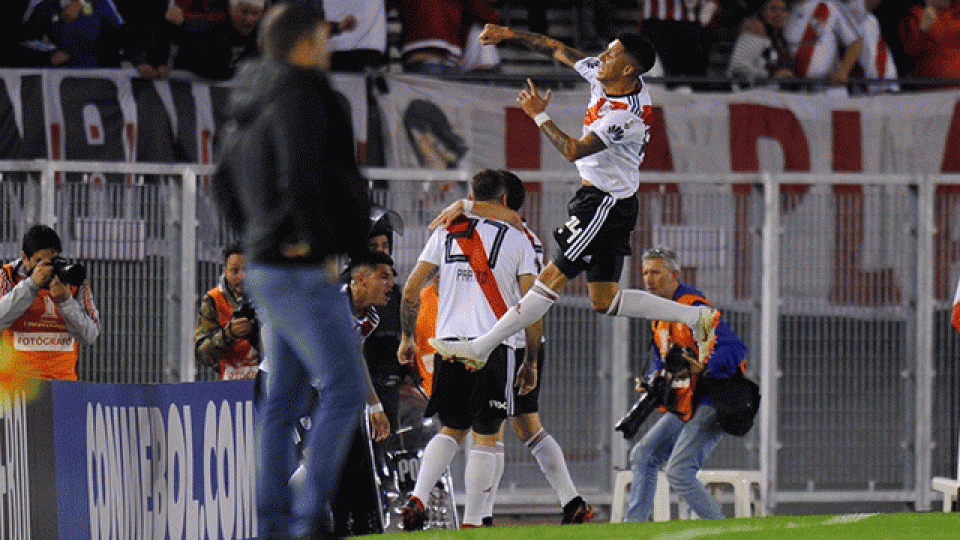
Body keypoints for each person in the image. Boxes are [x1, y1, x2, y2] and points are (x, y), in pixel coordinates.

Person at [426, 24, 720, 376]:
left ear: (629, 69)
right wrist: (507, 34)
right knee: (605, 300)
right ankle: (696, 316)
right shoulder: (604, 73)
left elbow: (572, 150)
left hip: (603, 204)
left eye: (611, 54)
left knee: (549, 279)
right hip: (610, 201)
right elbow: (554, 47)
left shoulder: (627, 117)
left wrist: (538, 113)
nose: (603, 57)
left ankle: (481, 347)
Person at [212, 1, 371, 538]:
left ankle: (272, 525)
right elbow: (306, 171)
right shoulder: (303, 94)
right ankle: (303, 521)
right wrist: (319, 242)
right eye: (323, 40)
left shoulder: (246, 97)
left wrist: (251, 237)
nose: (327, 51)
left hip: (263, 263)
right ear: (305, 44)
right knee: (346, 389)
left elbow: (222, 181)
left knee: (281, 402)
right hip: (299, 266)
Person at [396, 169, 540, 530]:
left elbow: (411, 290)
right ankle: (475, 522)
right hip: (493, 345)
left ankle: (418, 497)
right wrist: (531, 359)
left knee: (451, 429)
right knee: (486, 436)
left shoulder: (445, 230)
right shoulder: (518, 238)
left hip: (448, 345)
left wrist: (407, 337)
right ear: (505, 200)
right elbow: (532, 303)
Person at [482, 171, 595, 525]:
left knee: (489, 427)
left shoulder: (510, 235)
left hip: (507, 340)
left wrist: (529, 355)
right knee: (525, 425)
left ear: (501, 202)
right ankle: (572, 501)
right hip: (517, 339)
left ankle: (479, 517)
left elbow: (532, 296)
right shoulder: (517, 235)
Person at [624, 246, 747, 522]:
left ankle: (721, 530)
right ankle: (632, 531)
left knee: (679, 471)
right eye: (645, 272)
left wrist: (704, 366)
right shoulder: (658, 314)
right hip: (688, 401)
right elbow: (662, 359)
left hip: (715, 398)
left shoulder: (694, 309)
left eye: (656, 272)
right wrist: (653, 380)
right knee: (643, 455)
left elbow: (735, 348)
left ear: (674, 274)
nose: (648, 279)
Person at [328, 250, 395, 536]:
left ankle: (348, 527)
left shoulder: (371, 319)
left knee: (354, 458)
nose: (390, 284)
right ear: (360, 278)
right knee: (310, 466)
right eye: (384, 276)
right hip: (295, 390)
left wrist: (375, 406)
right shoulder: (331, 304)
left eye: (392, 277)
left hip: (328, 392)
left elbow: (356, 356)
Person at [0, 225, 100, 381]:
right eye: (39, 261)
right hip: (18, 385)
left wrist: (65, 301)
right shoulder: (8, 276)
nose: (46, 268)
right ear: (24, 258)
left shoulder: (73, 279)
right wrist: (31, 285)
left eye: (52, 261)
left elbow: (90, 335)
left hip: (63, 385)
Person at [195, 243, 261, 380]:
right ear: (224, 271)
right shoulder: (213, 300)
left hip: (269, 383)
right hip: (230, 387)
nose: (242, 277)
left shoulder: (272, 298)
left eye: (247, 270)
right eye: (234, 271)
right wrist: (228, 334)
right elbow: (202, 354)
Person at [172, 0, 264, 80]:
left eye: (255, 13)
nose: (249, 19)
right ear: (231, 9)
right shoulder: (209, 26)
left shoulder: (261, 34)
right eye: (244, 12)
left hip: (228, 81)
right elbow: (179, 27)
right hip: (192, 79)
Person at [783, 0, 863, 92]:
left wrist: (843, 71)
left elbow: (855, 42)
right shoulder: (785, 11)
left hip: (829, 89)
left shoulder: (830, 5)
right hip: (799, 91)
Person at [727, 0, 795, 83]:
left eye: (783, 10)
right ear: (762, 11)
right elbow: (738, 67)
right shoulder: (755, 31)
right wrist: (771, 75)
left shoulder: (779, 37)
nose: (778, 14)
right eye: (773, 9)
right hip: (751, 93)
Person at [900, 0, 960, 84]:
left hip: (956, 86)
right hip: (931, 88)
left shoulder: (955, 12)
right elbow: (907, 52)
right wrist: (922, 30)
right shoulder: (915, 14)